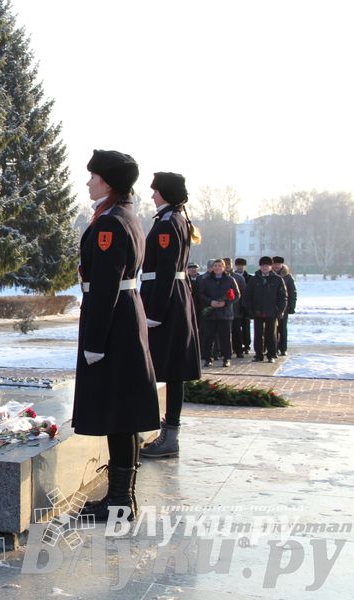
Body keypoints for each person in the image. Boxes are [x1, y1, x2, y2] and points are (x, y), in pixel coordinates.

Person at [73, 150, 159, 522]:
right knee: (123, 412)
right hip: (124, 317)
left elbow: (106, 286)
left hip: (114, 324)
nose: (88, 183)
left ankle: (120, 502)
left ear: (107, 182)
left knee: (119, 414)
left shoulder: (110, 223)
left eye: (93, 177)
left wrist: (94, 342)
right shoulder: (124, 215)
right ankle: (121, 499)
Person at [138, 172, 201, 459]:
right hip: (174, 298)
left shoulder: (167, 223)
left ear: (165, 192)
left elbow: (165, 271)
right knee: (172, 370)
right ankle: (167, 432)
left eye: (156, 191)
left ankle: (169, 436)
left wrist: (154, 312)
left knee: (171, 370)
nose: (152, 195)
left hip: (165, 301)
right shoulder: (174, 219)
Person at [243, 256, 287, 363]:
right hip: (257, 311)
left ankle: (271, 354)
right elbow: (247, 295)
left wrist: (280, 310)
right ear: (260, 266)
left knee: (271, 334)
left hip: (272, 312)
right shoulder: (254, 279)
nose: (265, 268)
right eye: (263, 266)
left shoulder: (277, 279)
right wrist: (250, 310)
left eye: (267, 266)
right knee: (258, 334)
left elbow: (283, 297)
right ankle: (258, 354)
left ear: (271, 266)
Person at [197, 259, 240, 368]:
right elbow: (200, 294)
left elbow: (236, 295)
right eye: (215, 266)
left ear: (224, 267)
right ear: (212, 267)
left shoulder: (230, 280)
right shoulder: (206, 280)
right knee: (208, 337)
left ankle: (227, 358)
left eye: (220, 266)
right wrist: (210, 302)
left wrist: (225, 303)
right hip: (210, 313)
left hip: (225, 314)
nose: (217, 268)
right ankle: (208, 358)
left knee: (225, 337)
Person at [271, 256, 296, 356]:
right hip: (271, 306)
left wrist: (292, 306)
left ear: (282, 265)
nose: (276, 266)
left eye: (278, 264)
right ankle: (273, 348)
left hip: (284, 306)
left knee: (282, 328)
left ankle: (283, 348)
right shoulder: (269, 275)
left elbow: (292, 292)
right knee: (272, 329)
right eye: (274, 264)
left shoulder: (288, 277)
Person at [232, 258, 252, 357]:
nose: (240, 267)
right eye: (238, 265)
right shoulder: (232, 276)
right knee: (236, 328)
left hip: (245, 305)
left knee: (246, 327)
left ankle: (247, 345)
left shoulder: (249, 277)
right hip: (236, 305)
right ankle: (236, 347)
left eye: (242, 265)